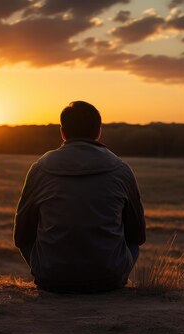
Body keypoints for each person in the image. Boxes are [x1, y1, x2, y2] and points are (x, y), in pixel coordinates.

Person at [13, 101, 146, 293]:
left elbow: (22, 236)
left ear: (62, 131)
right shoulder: (121, 169)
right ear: (98, 131)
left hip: (52, 278)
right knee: (132, 244)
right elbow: (137, 235)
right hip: (109, 279)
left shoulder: (39, 169)